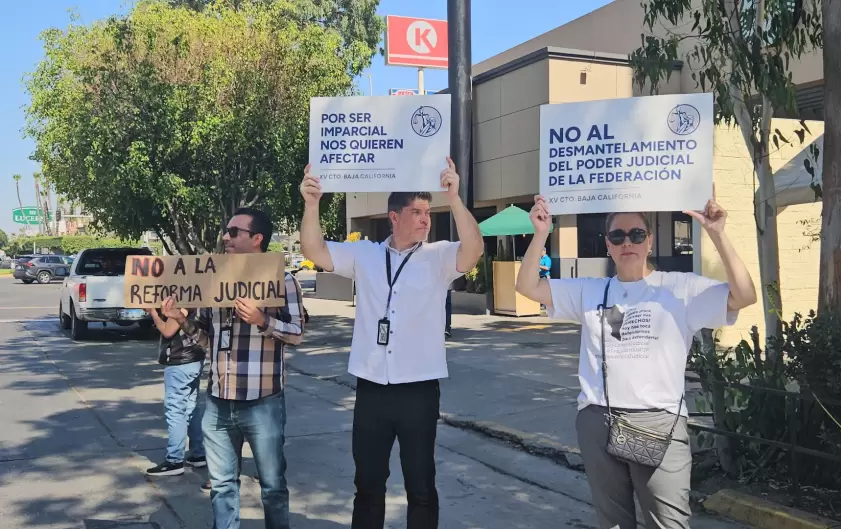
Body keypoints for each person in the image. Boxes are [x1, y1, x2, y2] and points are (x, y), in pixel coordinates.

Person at [515, 191, 757, 529]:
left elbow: (744, 295)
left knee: (668, 523)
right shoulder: (589, 290)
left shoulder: (679, 288)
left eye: (636, 234)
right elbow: (527, 286)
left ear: (650, 241)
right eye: (618, 235)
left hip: (659, 422)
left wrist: (717, 234)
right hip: (598, 419)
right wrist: (541, 233)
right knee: (613, 524)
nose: (627, 242)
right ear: (608, 244)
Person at [298, 157, 484, 529]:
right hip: (372, 390)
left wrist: (457, 199)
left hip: (418, 390)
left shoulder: (438, 257)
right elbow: (314, 250)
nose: (425, 219)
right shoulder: (366, 254)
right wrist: (312, 203)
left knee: (421, 487)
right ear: (393, 216)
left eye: (428, 212)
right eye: (416, 211)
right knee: (367, 485)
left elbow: (474, 249)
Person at [161, 207, 305, 529]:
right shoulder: (212, 280)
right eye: (226, 231)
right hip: (218, 402)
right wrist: (181, 319)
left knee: (272, 487)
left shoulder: (283, 280)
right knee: (223, 487)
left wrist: (262, 320)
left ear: (257, 239)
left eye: (234, 232)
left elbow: (296, 334)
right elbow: (208, 342)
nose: (225, 237)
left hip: (263, 402)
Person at [145, 307, 207, 477]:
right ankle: (198, 453)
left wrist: (154, 313)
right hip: (195, 357)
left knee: (175, 409)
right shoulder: (197, 293)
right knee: (190, 406)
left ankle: (174, 460)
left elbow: (168, 330)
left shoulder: (183, 297)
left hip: (181, 360)